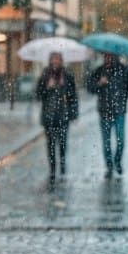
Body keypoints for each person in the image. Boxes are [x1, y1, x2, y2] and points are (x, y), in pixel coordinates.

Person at [86, 52, 128, 178]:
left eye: (110, 56)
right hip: (104, 111)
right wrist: (99, 83)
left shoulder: (124, 70)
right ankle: (109, 166)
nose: (108, 59)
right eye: (106, 56)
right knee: (106, 142)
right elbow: (89, 88)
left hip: (120, 111)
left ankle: (117, 162)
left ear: (115, 56)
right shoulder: (99, 71)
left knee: (121, 141)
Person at [36, 51, 78, 186]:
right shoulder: (44, 75)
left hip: (63, 115)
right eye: (53, 59)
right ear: (50, 61)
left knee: (63, 143)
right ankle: (53, 169)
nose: (56, 62)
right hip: (49, 116)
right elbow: (38, 95)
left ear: (61, 61)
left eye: (58, 59)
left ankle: (63, 166)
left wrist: (74, 114)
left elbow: (73, 96)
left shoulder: (67, 76)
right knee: (51, 144)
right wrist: (47, 87)